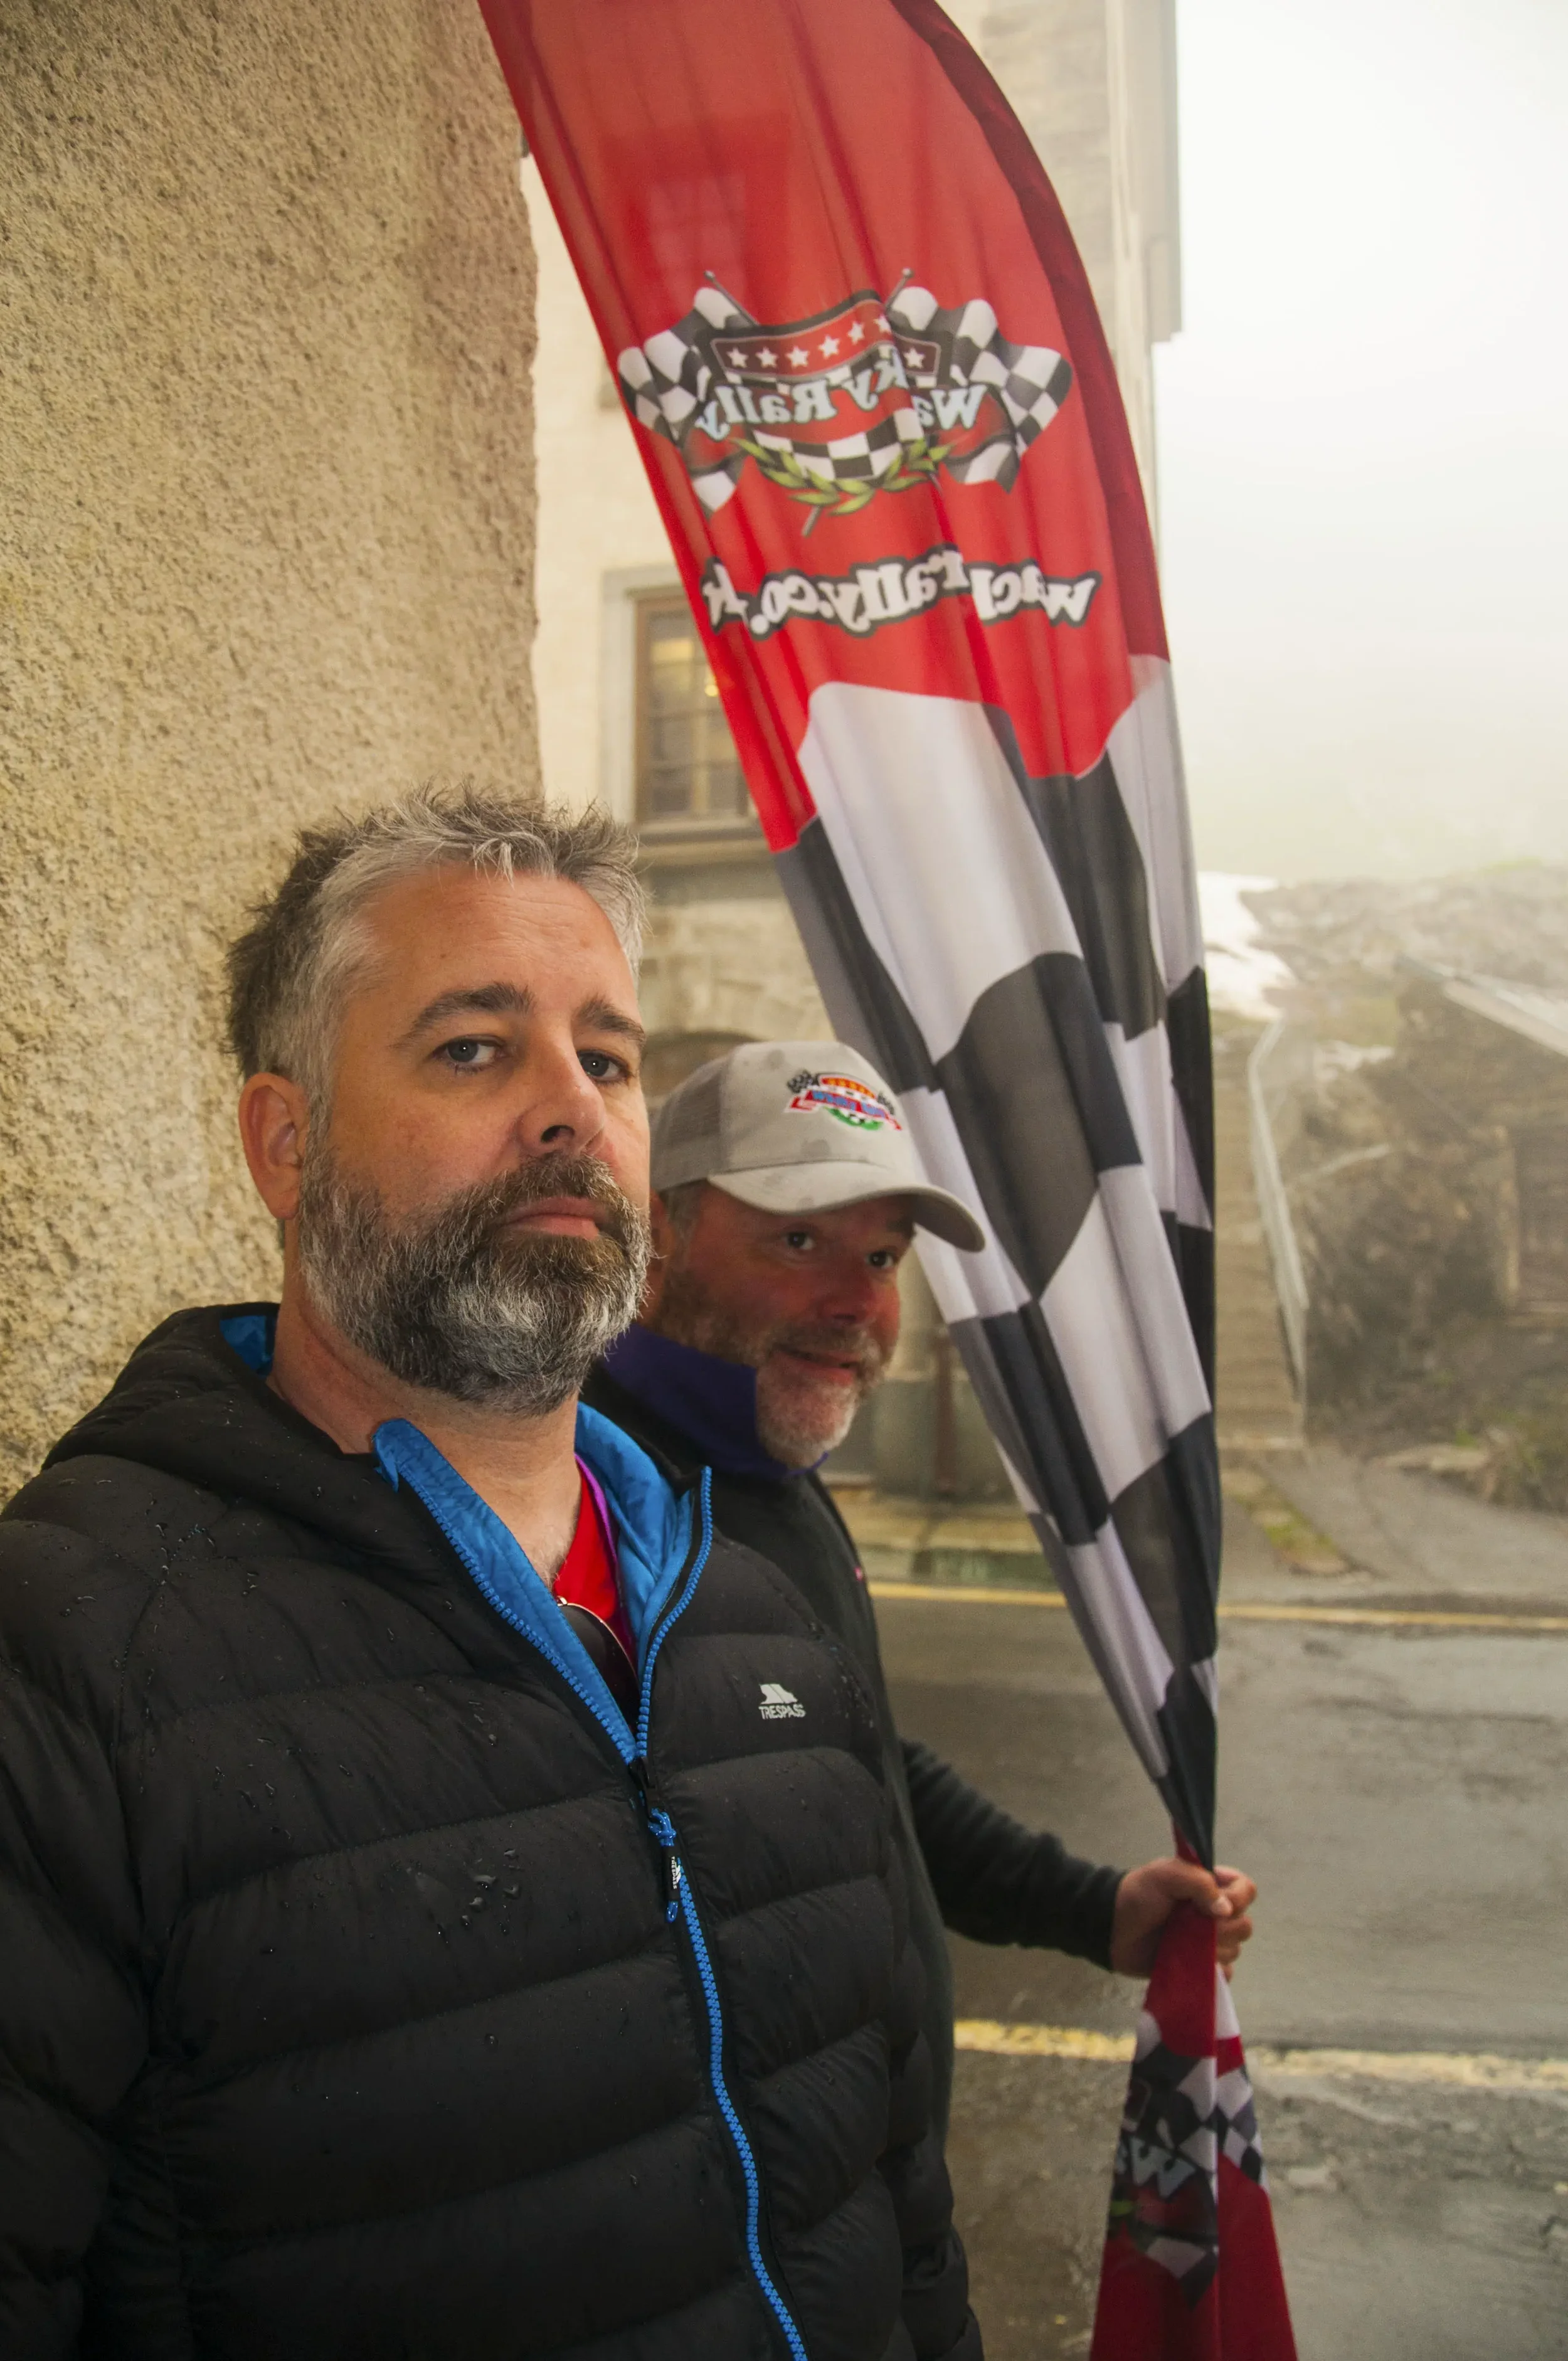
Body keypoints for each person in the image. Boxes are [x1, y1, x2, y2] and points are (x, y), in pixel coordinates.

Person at [0, 796, 980, 2361]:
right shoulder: (74, 1643)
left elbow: (901, 2207)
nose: (569, 1111)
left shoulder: (750, 1598)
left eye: (605, 1057)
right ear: (284, 1138)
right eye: (471, 1048)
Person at [585, 1041, 1257, 2131]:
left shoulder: (766, 1476)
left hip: (866, 2211)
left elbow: (863, 1769)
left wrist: (1095, 1910)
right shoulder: (573, 1507)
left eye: (886, 1258)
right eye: (799, 1239)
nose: (857, 1302)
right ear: (658, 1231)